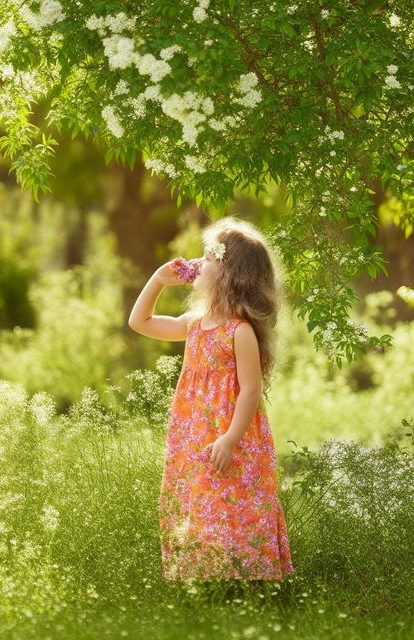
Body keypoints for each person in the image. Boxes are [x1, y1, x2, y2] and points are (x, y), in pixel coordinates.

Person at [128, 216, 295, 584]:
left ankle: (247, 578)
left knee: (235, 501)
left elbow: (250, 390)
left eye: (208, 258)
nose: (198, 264)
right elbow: (140, 322)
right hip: (193, 432)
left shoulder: (240, 331)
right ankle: (204, 578)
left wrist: (230, 438)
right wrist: (157, 280)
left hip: (230, 434)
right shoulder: (193, 323)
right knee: (198, 501)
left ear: (229, 274)